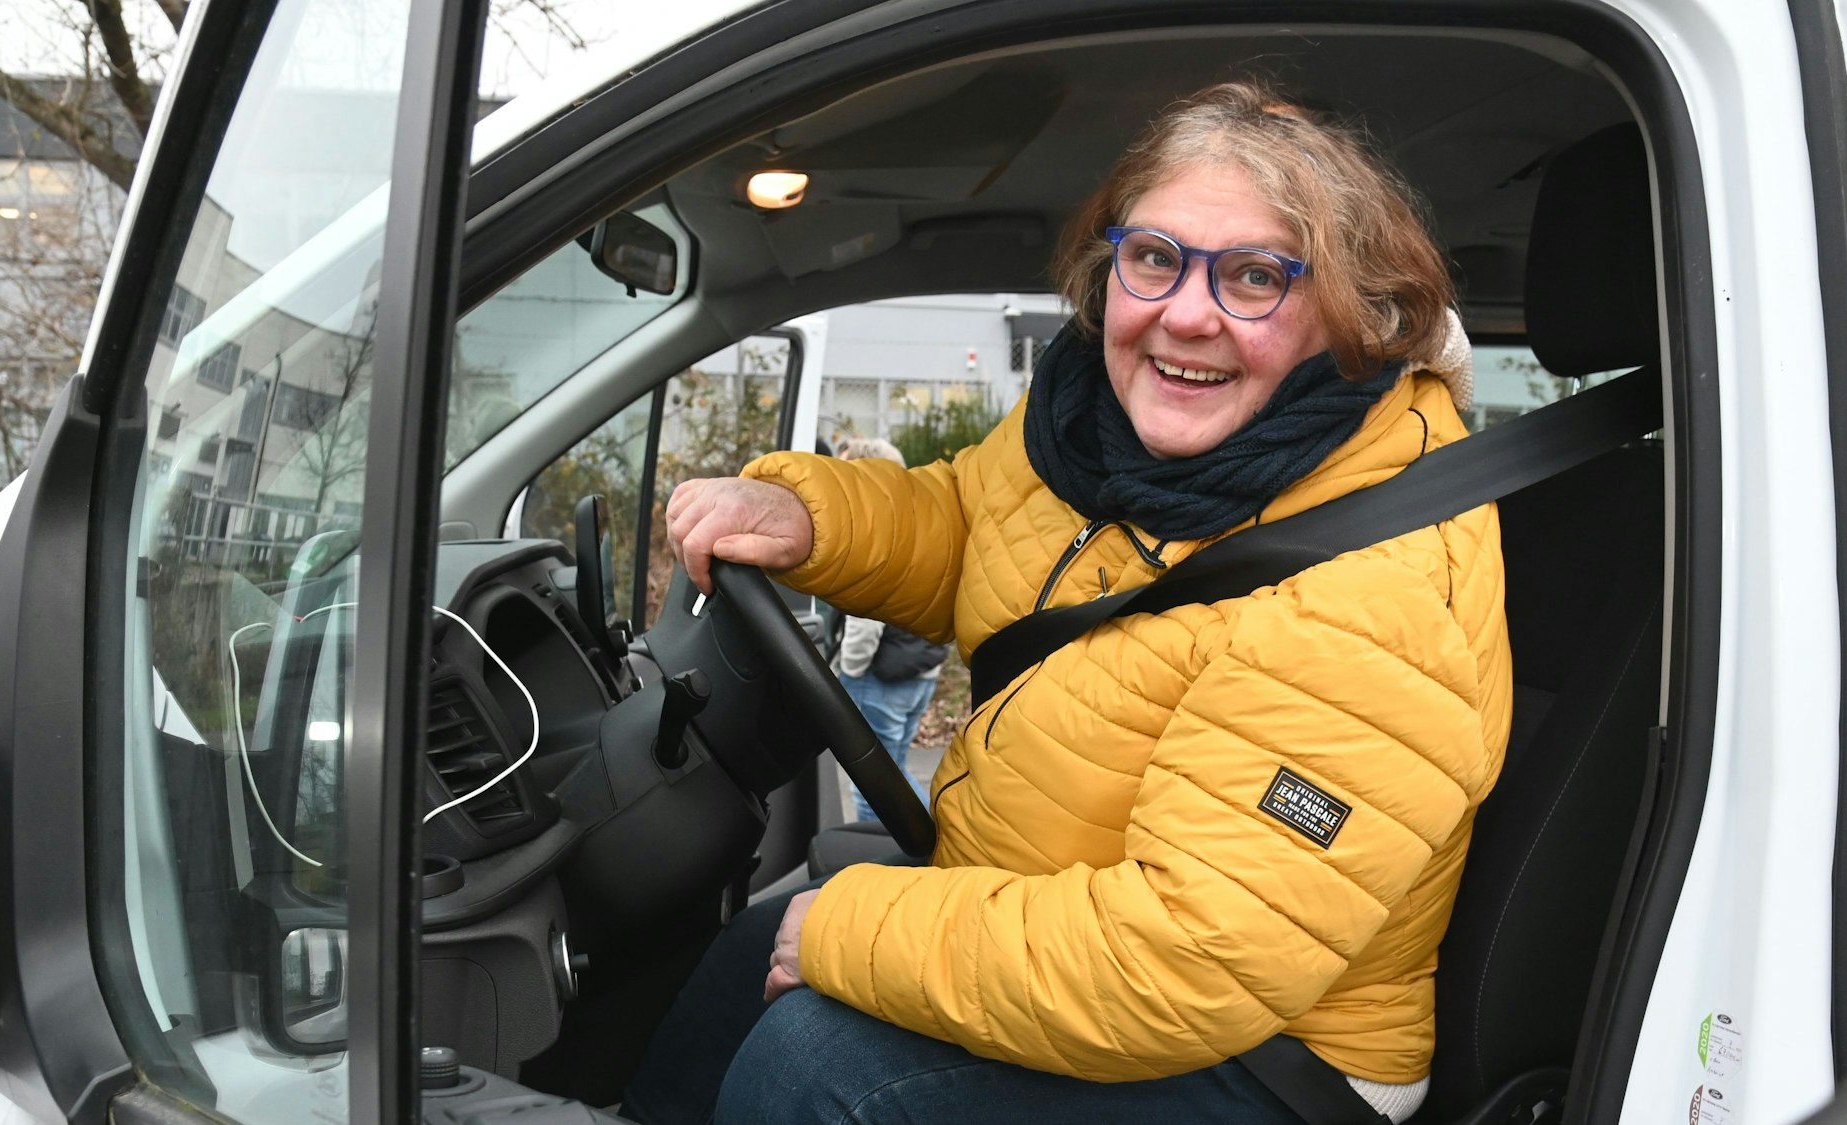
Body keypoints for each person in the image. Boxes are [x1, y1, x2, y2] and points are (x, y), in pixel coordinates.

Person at [628, 81, 1509, 1124]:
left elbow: (1185, 958)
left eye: (1255, 277)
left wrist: (850, 930)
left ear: (1348, 313)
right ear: (1109, 265)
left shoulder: (1375, 590)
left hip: (1279, 1051)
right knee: (751, 956)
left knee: (815, 1064)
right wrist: (806, 517)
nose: (1186, 313)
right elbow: (973, 522)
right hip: (1078, 921)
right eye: (1154, 258)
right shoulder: (1099, 437)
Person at [826, 437, 943, 822]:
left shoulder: (870, 531)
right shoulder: (921, 521)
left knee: (872, 790)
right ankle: (943, 844)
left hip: (881, 677)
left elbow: (864, 617)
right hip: (922, 669)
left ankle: (888, 868)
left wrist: (849, 671)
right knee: (894, 774)